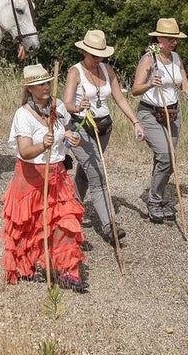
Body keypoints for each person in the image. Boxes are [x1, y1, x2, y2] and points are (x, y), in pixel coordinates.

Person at [1, 64, 88, 292]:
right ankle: (25, 265)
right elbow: (25, 151)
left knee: (66, 221)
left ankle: (68, 271)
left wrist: (71, 137)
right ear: (30, 89)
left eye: (47, 82)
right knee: (29, 226)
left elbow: (66, 132)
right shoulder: (23, 115)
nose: (46, 87)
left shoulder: (58, 106)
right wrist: (43, 145)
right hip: (31, 178)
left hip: (58, 175)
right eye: (40, 84)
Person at [62, 29, 145, 243]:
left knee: (85, 173)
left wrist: (135, 122)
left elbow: (120, 99)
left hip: (104, 128)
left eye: (100, 55)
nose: (97, 58)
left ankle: (70, 211)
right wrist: (78, 106)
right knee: (98, 175)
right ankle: (110, 226)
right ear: (85, 52)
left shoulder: (108, 70)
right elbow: (66, 104)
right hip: (81, 128)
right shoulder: (75, 72)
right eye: (93, 55)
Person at [130, 18, 188, 224]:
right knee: (165, 156)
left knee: (168, 160)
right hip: (150, 113)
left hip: (172, 113)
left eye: (176, 39)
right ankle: (154, 202)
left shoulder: (176, 58)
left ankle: (158, 195)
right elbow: (135, 90)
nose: (174, 42)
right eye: (170, 39)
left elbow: (185, 86)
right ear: (159, 38)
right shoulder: (149, 59)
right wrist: (149, 84)